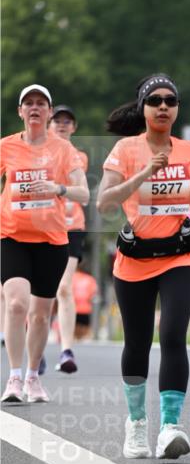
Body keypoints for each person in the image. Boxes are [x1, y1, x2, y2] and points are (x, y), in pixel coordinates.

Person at [97, 74, 190, 459]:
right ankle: (136, 424)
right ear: (143, 108)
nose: (164, 106)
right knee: (137, 344)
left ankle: (170, 426)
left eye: (171, 100)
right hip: (135, 260)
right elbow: (104, 203)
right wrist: (145, 173)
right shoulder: (125, 149)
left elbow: (188, 196)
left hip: (180, 255)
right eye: (155, 100)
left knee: (171, 335)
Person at [1, 84, 89, 403]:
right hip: (11, 236)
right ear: (20, 112)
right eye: (29, 103)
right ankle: (12, 378)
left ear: (49, 112)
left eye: (41, 103)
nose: (35, 108)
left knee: (40, 314)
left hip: (52, 240)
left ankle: (33, 377)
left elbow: (84, 193)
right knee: (15, 304)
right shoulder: (6, 146)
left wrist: (57, 187)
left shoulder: (64, 150)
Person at [48, 104, 89, 373]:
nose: (62, 125)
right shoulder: (35, 152)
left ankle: (66, 350)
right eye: (57, 121)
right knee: (40, 293)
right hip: (42, 227)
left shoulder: (78, 157)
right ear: (49, 125)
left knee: (63, 288)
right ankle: (36, 350)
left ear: (73, 127)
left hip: (72, 227)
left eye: (67, 122)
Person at [71, 264, 98, 340]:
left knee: (74, 328)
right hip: (85, 309)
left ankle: (75, 341)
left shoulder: (73, 277)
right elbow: (93, 294)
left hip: (74, 308)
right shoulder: (90, 279)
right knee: (85, 330)